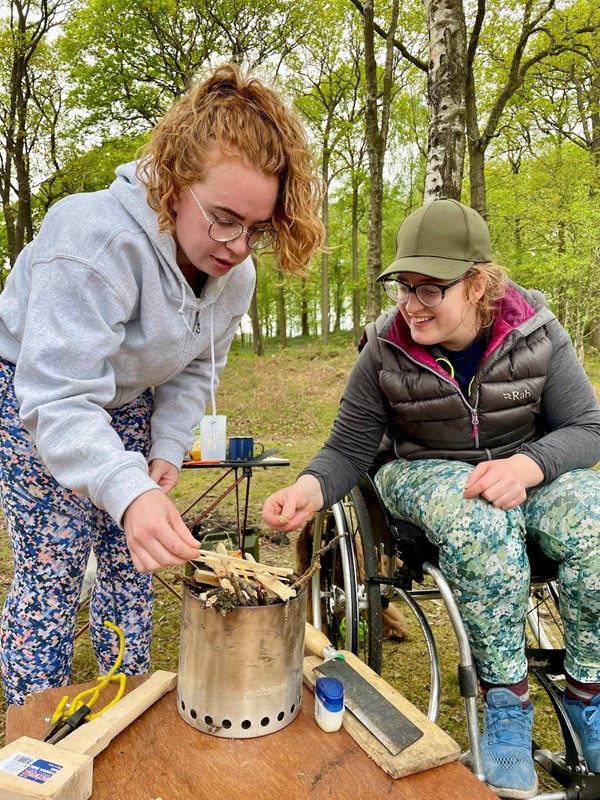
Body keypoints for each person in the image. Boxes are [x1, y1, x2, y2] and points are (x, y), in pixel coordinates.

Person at [0, 63, 324, 706]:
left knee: (133, 563)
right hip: (34, 393)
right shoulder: (92, 240)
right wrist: (122, 487)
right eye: (225, 218)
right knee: (54, 571)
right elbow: (58, 395)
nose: (237, 246)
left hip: (129, 397)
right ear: (174, 184)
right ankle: (33, 744)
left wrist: (165, 448)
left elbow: (197, 364)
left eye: (257, 230)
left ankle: (123, 706)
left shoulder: (235, 275)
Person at [263, 199, 600, 799]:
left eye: (429, 289)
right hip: (421, 472)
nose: (411, 304)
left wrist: (528, 464)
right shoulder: (384, 352)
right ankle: (505, 703)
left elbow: (587, 428)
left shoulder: (537, 334)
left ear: (477, 283)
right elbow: (348, 448)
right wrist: (307, 490)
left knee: (597, 517)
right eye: (403, 287)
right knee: (479, 522)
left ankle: (589, 696)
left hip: (523, 467)